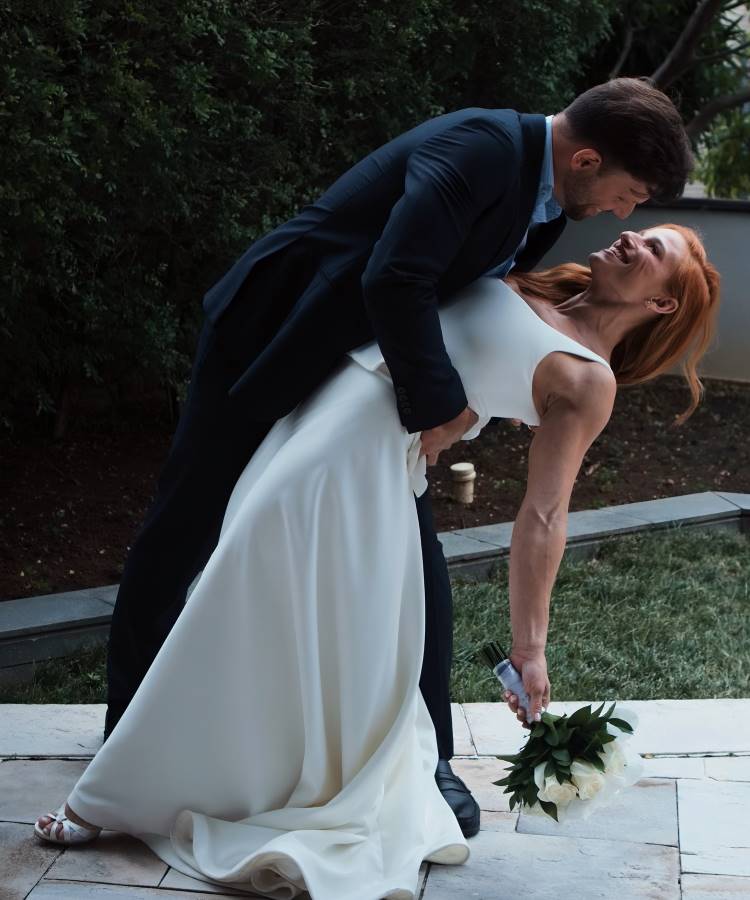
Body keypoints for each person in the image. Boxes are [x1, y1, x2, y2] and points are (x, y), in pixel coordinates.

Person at [34, 223, 719, 900]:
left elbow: (543, 516)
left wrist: (530, 650)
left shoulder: (588, 378)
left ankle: (108, 800)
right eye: (640, 228)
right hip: (332, 402)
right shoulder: (528, 274)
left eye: (654, 248)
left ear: (663, 303)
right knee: (255, 593)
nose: (630, 237)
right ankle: (206, 771)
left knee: (236, 581)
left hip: (366, 460)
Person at [97, 75, 692, 840]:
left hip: (367, 388)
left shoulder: (542, 206)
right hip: (272, 335)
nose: (623, 212)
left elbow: (459, 297)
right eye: (626, 192)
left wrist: (451, 408)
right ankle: (127, 734)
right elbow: (398, 274)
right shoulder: (482, 150)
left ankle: (428, 759)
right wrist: (445, 406)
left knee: (420, 574)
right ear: (583, 160)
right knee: (186, 524)